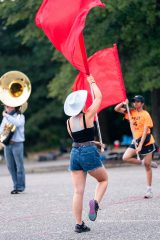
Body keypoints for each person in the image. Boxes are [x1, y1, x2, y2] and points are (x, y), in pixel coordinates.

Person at [64, 75, 108, 233]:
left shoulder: (68, 122)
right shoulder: (88, 115)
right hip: (88, 152)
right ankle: (95, 203)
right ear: (81, 105)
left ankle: (78, 224)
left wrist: (94, 142)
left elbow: (78, 138)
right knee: (103, 180)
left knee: (78, 191)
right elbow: (100, 97)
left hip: (75, 152)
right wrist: (93, 82)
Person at [114, 95, 158, 199]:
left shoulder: (145, 114)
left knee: (147, 167)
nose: (135, 103)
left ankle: (149, 190)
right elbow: (116, 109)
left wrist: (140, 146)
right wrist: (123, 103)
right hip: (136, 140)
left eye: (138, 102)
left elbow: (145, 132)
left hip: (146, 141)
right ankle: (146, 162)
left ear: (142, 103)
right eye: (134, 101)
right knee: (125, 157)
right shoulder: (130, 112)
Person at [0, 105, 25, 194]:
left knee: (19, 166)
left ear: (14, 107)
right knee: (10, 166)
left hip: (17, 144)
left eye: (9, 107)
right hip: (7, 145)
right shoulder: (6, 118)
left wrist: (6, 116)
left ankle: (20, 186)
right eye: (6, 107)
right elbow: (1, 129)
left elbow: (17, 124)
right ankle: (15, 186)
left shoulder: (20, 116)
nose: (7, 108)